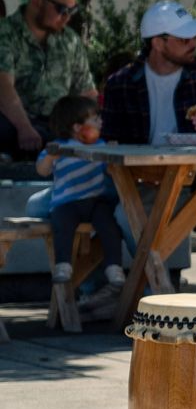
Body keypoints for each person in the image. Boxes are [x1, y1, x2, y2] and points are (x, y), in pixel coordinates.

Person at [100, 0, 196, 278]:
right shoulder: (121, 83)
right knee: (66, 207)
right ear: (158, 43)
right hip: (137, 180)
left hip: (194, 181)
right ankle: (156, 287)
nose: (194, 42)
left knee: (124, 217)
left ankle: (147, 290)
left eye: (195, 36)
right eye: (185, 37)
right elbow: (110, 143)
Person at [0, 0, 96, 157]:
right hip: (14, 123)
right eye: (62, 9)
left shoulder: (70, 40)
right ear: (37, 0)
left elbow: (86, 92)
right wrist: (24, 128)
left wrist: (93, 127)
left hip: (59, 127)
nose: (67, 17)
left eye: (72, 10)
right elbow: (3, 88)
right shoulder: (5, 33)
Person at [34, 94, 127, 292]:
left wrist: (113, 157)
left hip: (96, 200)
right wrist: (50, 158)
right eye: (95, 120)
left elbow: (111, 172)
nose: (100, 122)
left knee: (110, 226)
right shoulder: (60, 147)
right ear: (77, 127)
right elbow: (42, 170)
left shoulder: (100, 146)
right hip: (67, 202)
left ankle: (114, 266)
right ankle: (63, 264)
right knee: (62, 226)